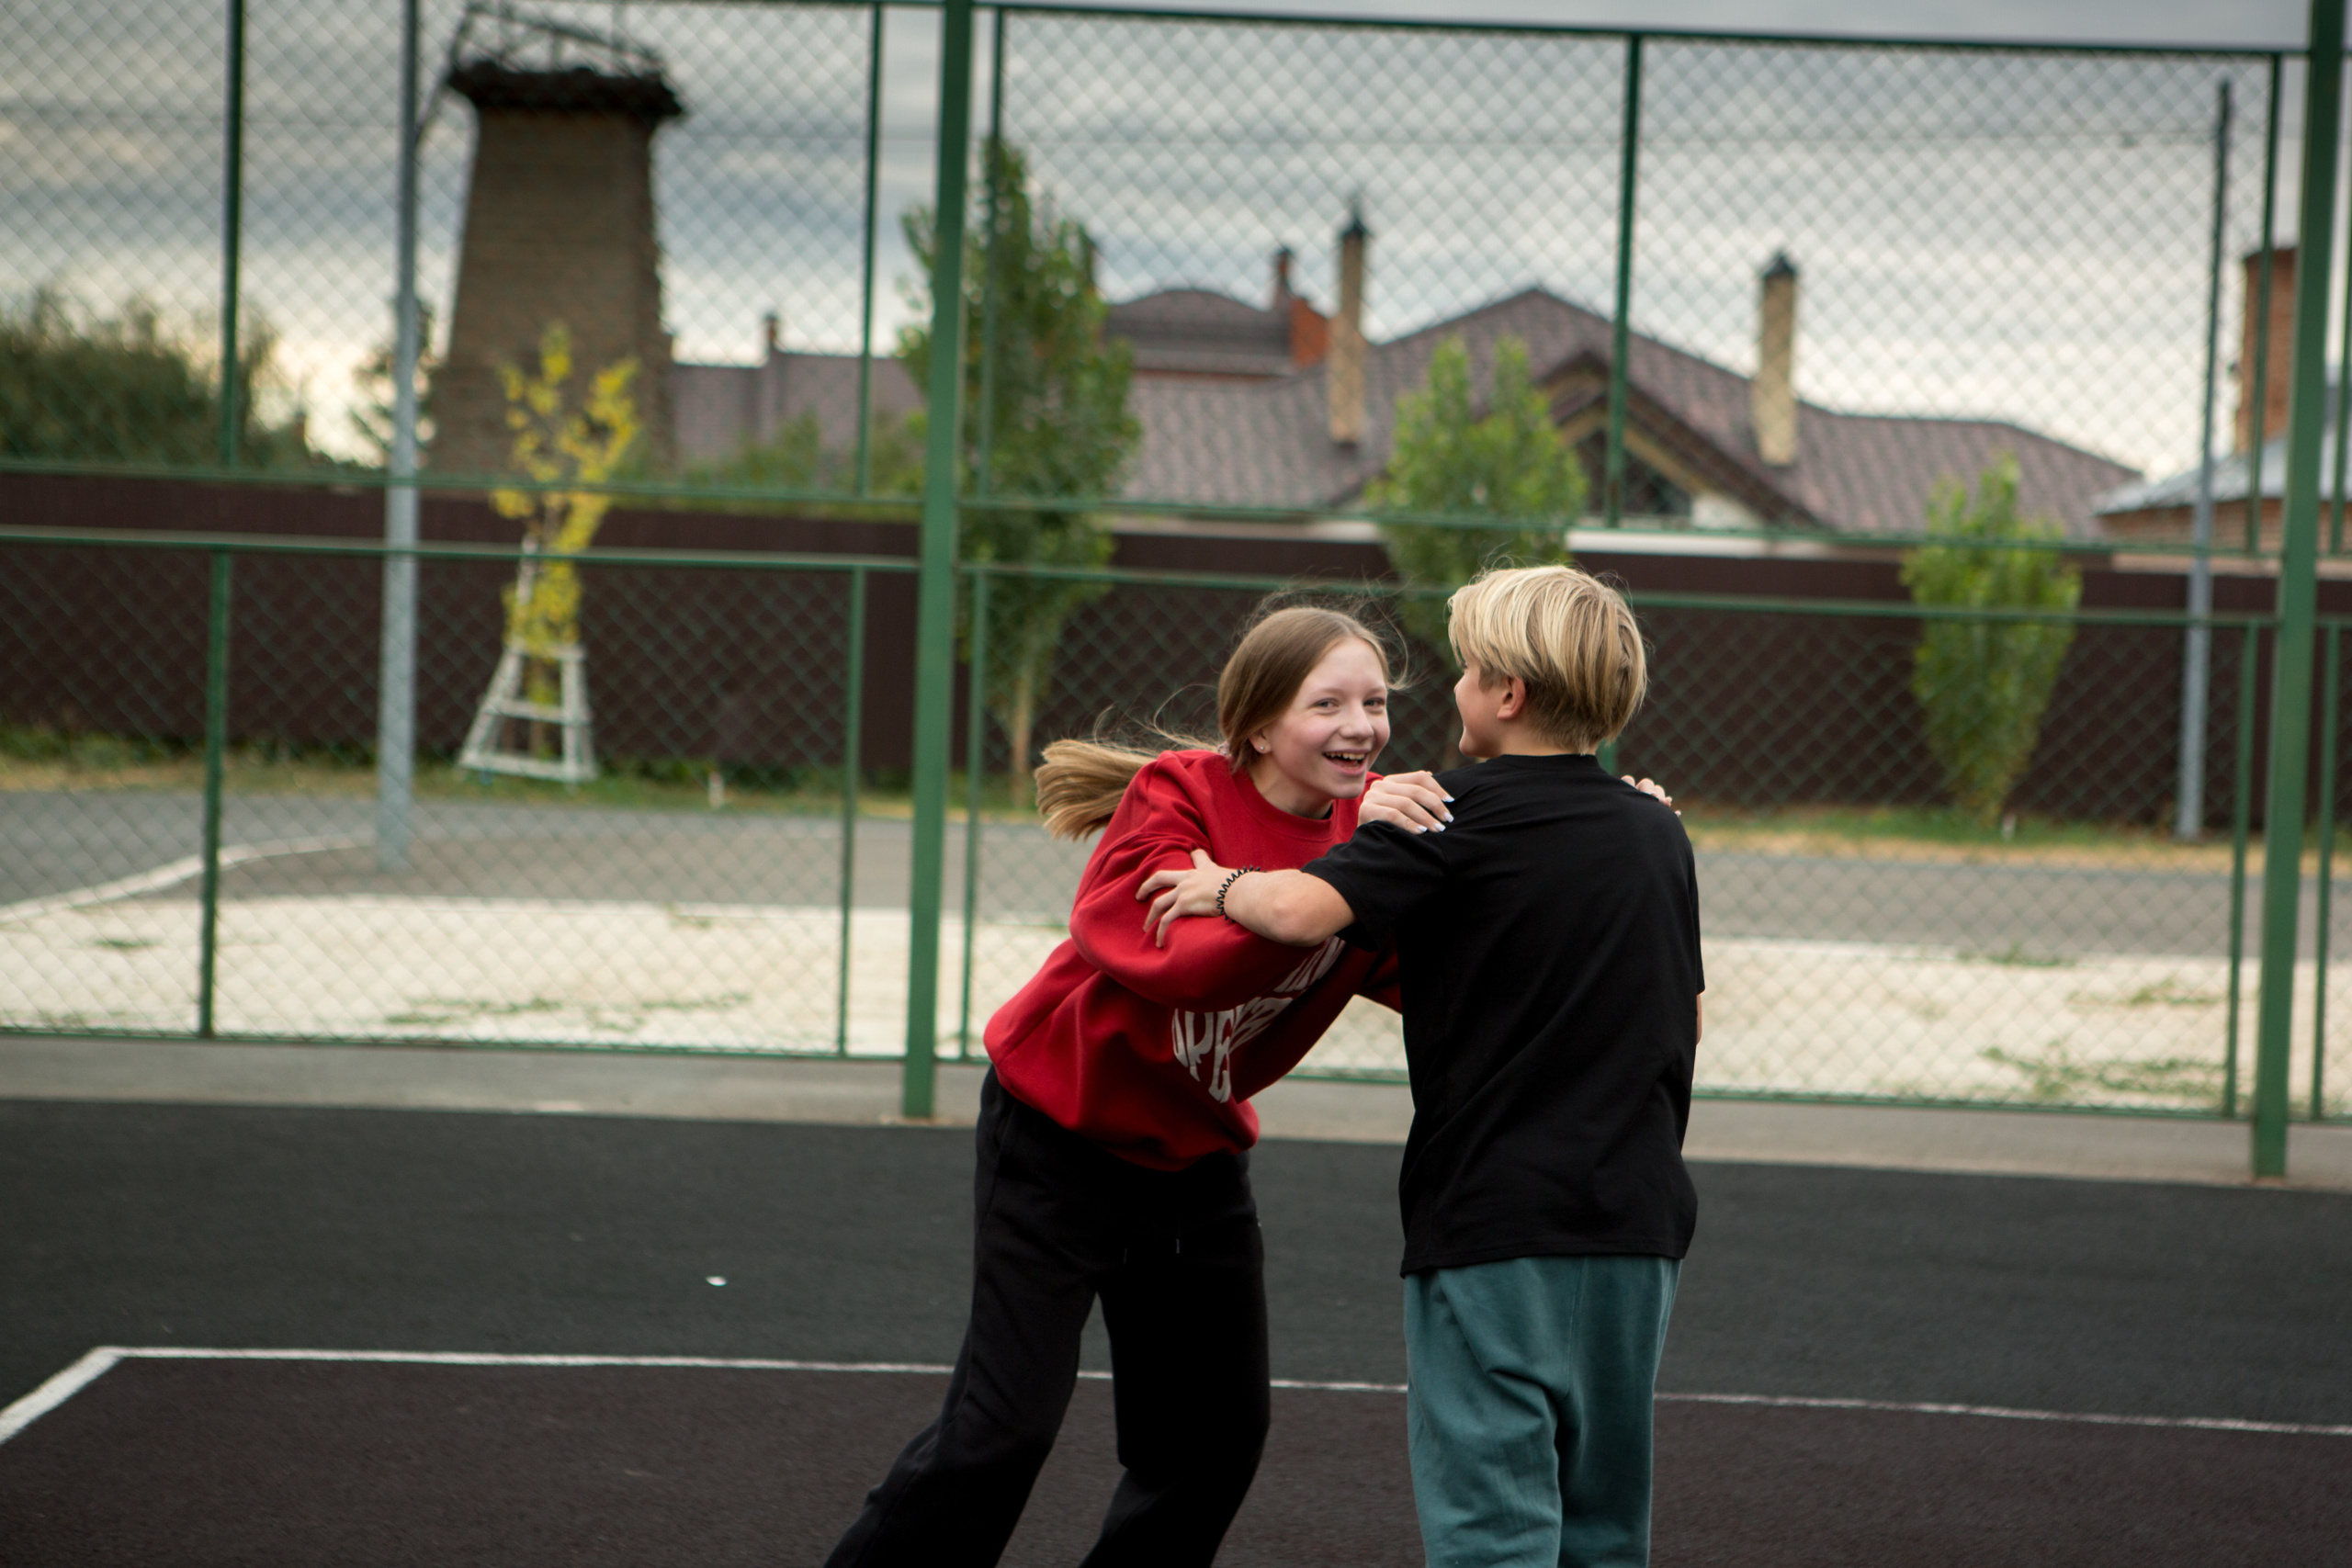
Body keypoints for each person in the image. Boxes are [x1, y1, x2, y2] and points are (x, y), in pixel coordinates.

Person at [823, 602, 1446, 1568]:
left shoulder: (1371, 846)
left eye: (1373, 700)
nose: (1359, 726)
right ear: (1257, 724)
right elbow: (1177, 965)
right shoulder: (1178, 795)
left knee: (1212, 1445)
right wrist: (1337, 870)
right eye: (1326, 703)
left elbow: (1463, 976)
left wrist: (1620, 828)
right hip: (1057, 1137)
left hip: (1191, 1164)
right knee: (1001, 1434)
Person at [1143, 565, 1704, 1568]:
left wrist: (1220, 883)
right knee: (1604, 1519)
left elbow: (1303, 911)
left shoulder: (1443, 815)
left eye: (1462, 669)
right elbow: (1684, 1016)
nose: (1445, 691)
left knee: (1495, 1521)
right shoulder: (1654, 828)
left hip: (1491, 1217)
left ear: (1506, 694)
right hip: (1638, 1222)